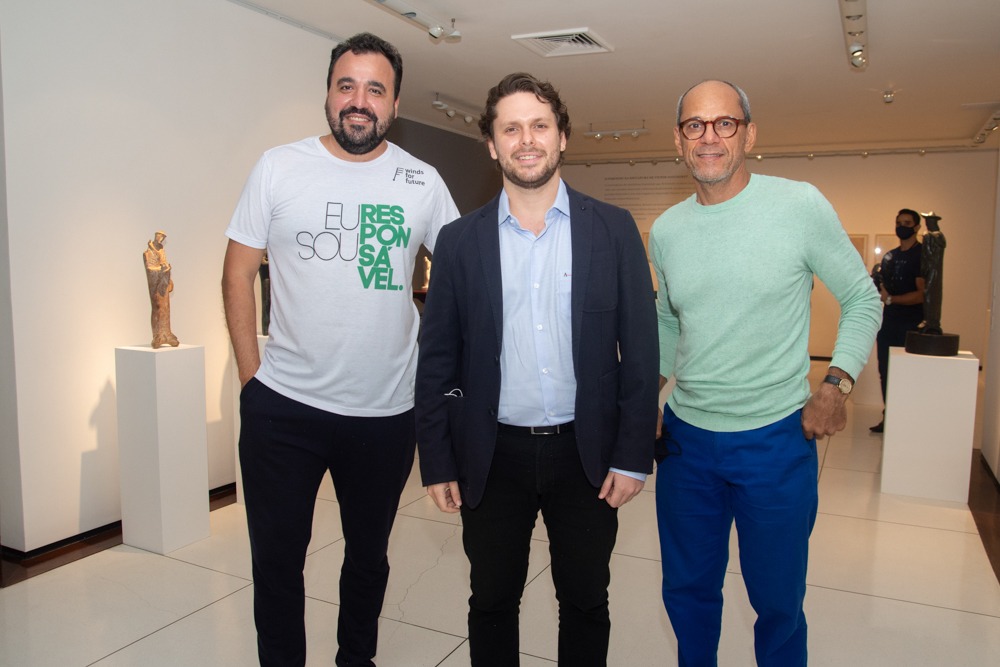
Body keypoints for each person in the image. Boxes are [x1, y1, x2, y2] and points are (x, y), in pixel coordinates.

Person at [222, 33, 459, 667]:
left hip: (385, 413)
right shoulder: (278, 167)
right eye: (346, 85)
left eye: (375, 89)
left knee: (368, 559)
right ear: (328, 94)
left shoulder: (423, 181)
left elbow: (464, 277)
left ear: (395, 104)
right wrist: (251, 378)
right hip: (282, 410)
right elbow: (237, 272)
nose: (359, 100)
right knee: (276, 564)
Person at [415, 72, 658, 667]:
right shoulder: (457, 241)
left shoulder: (614, 229)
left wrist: (633, 456)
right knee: (491, 601)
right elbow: (437, 359)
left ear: (562, 137)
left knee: (585, 600)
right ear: (492, 145)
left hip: (587, 454)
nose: (527, 140)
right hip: (491, 455)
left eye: (540, 126)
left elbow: (640, 351)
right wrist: (438, 459)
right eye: (511, 129)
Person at [649, 80, 881, 667]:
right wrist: (649, 396)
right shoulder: (668, 229)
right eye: (695, 125)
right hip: (686, 443)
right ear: (678, 140)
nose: (709, 137)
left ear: (749, 134)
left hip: (776, 440)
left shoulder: (798, 206)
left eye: (724, 123)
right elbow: (669, 321)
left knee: (778, 602)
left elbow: (862, 298)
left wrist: (837, 384)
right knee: (687, 593)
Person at [870, 209, 924, 432]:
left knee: (907, 374)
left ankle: (906, 420)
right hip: (889, 322)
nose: (902, 226)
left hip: (911, 323)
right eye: (899, 222)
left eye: (907, 223)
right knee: (886, 371)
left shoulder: (921, 255)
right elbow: (883, 287)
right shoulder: (890, 256)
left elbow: (922, 294)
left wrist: (891, 299)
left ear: (917, 227)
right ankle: (889, 416)